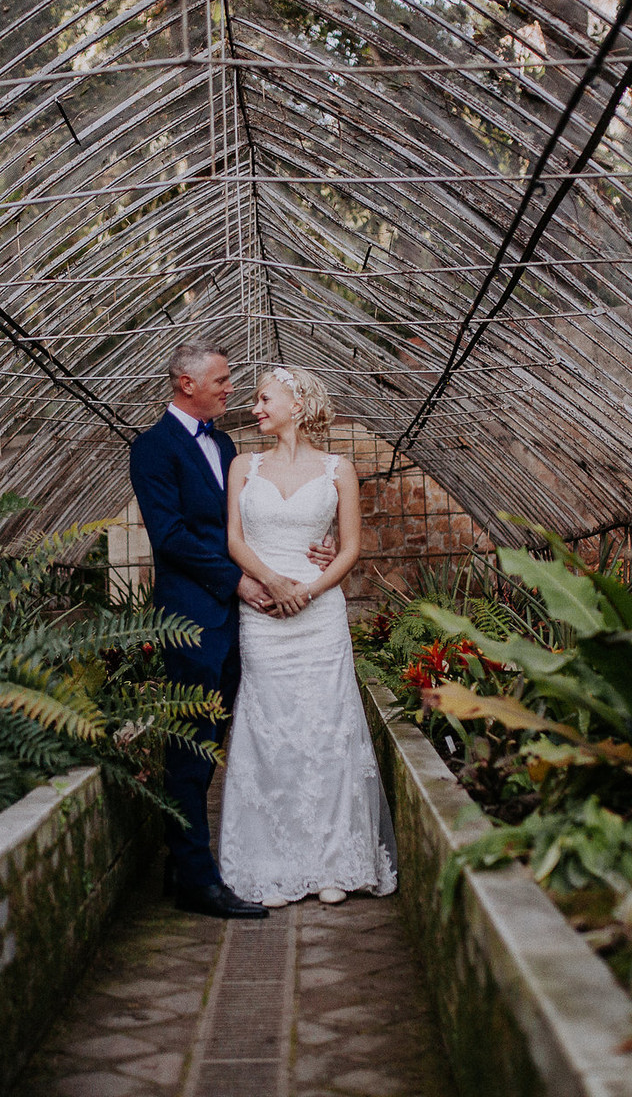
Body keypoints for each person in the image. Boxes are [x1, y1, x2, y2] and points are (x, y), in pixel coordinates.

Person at [127, 343, 334, 919]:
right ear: (185, 383)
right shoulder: (152, 449)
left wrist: (317, 543)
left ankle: (181, 855)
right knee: (189, 746)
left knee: (213, 739)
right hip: (192, 618)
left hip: (238, 622)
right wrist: (240, 581)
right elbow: (170, 538)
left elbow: (242, 528)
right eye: (220, 381)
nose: (230, 389)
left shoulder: (225, 446)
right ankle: (198, 880)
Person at [218, 364, 397, 908]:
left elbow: (349, 549)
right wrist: (274, 583)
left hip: (319, 616)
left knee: (326, 729)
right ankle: (271, 862)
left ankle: (333, 863)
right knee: (269, 729)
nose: (254, 408)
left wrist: (311, 591)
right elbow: (233, 539)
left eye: (263, 399)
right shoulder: (242, 466)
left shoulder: (339, 470)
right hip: (265, 615)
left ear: (296, 405)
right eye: (253, 400)